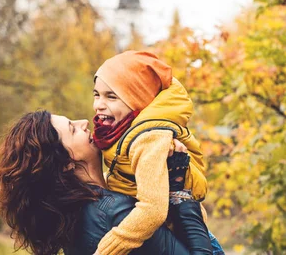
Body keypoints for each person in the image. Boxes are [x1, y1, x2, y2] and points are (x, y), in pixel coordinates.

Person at [0, 110, 213, 255]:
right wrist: (179, 191)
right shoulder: (117, 214)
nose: (84, 123)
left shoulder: (74, 219)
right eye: (72, 129)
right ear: (66, 162)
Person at [92, 50, 224, 255]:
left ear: (137, 99)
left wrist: (109, 248)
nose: (98, 105)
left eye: (111, 97)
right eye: (96, 94)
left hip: (188, 241)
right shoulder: (125, 134)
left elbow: (153, 209)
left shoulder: (147, 138)